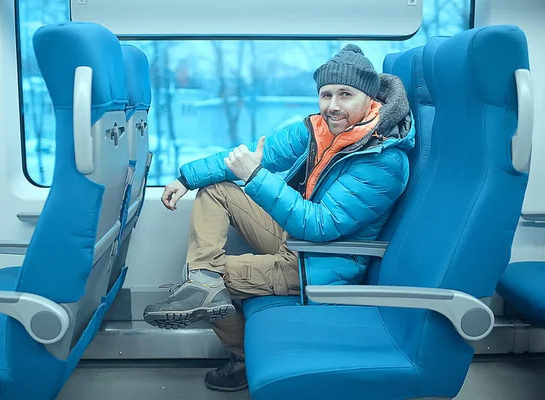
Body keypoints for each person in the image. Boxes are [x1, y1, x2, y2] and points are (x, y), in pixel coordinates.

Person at [143, 44, 414, 392]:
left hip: (324, 260)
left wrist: (256, 178)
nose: (333, 105)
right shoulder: (321, 129)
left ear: (369, 98)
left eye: (345, 94)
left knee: (209, 276)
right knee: (217, 190)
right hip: (297, 239)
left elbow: (319, 225)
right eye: (325, 94)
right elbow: (256, 154)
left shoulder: (384, 161)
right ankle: (204, 283)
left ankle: (241, 357)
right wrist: (187, 177)